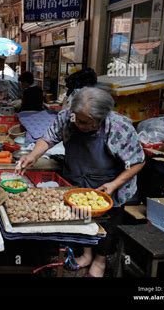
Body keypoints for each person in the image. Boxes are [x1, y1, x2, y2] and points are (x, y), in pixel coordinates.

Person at [17, 87, 145, 277]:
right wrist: (33, 156)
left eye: (85, 122)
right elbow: (48, 138)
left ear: (100, 118)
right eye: (77, 118)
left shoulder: (119, 127)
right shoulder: (69, 117)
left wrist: (114, 185)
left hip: (109, 183)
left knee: (106, 226)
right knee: (82, 220)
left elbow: (137, 162)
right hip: (77, 176)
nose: (78, 124)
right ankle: (86, 254)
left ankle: (100, 261)